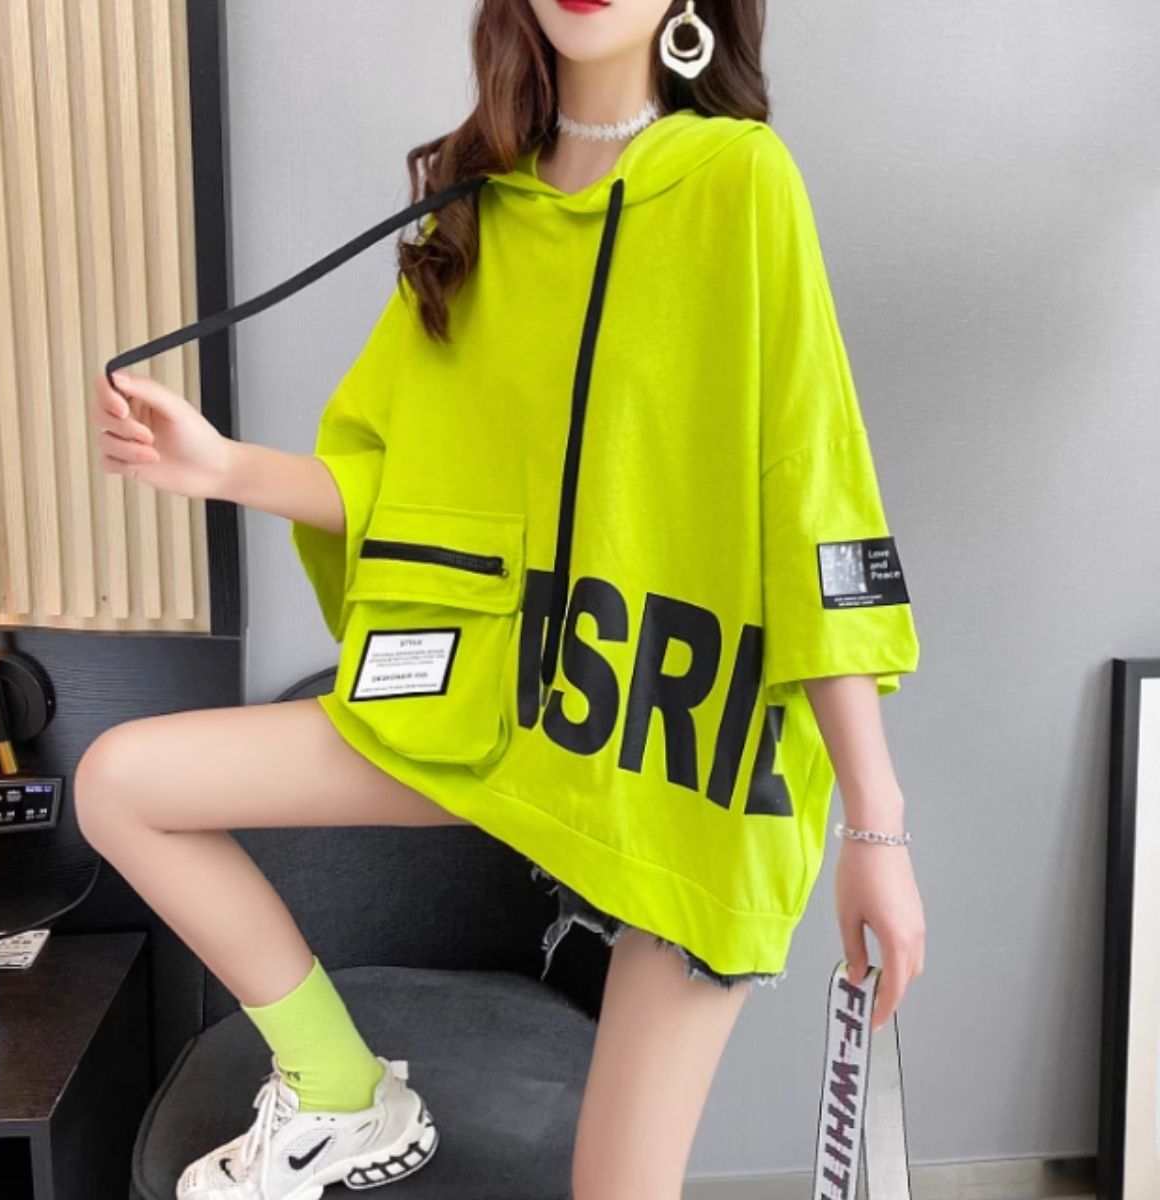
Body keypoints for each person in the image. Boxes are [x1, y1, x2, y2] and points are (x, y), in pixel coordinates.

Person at [79, 1, 927, 1197]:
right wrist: (221, 468)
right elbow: (404, 485)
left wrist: (875, 826)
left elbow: (813, 500)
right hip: (495, 704)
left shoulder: (741, 181)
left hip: (677, 748)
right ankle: (338, 1088)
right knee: (119, 782)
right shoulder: (480, 204)